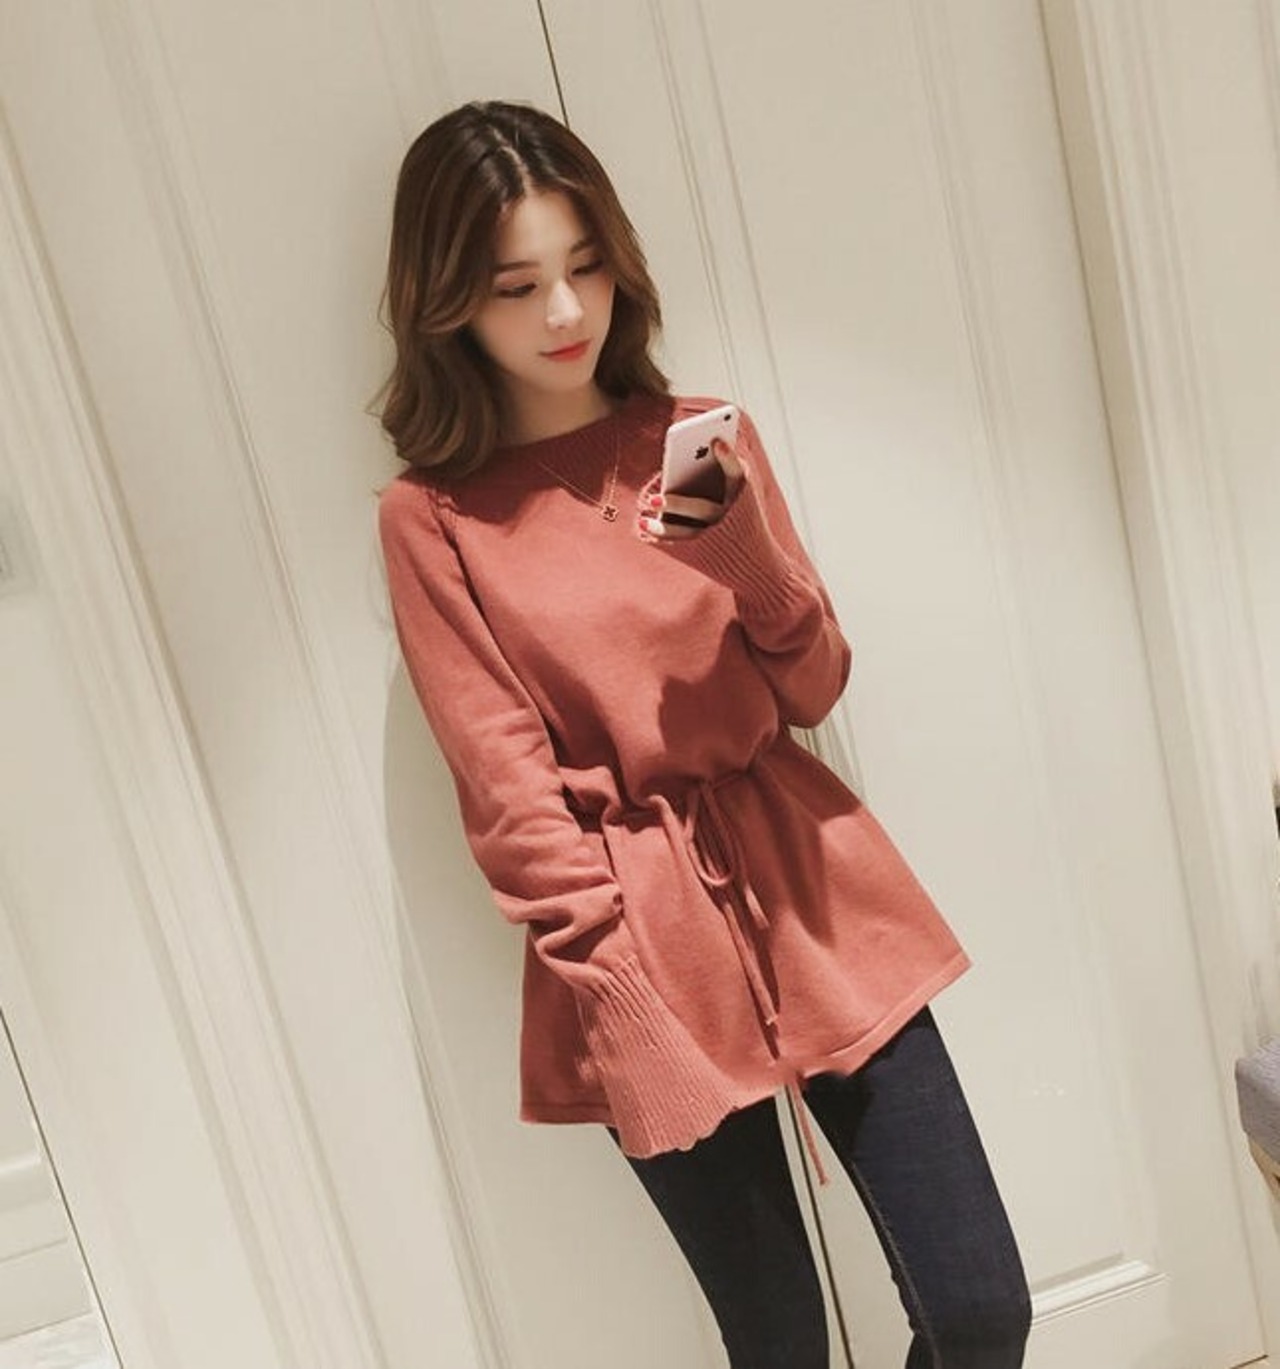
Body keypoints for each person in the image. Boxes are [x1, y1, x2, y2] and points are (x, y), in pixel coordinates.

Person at [375, 99, 1031, 1369]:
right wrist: (622, 1005)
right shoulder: (435, 518)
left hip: (809, 884)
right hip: (636, 937)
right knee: (777, 1340)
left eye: (585, 266)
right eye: (516, 285)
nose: (564, 312)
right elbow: (509, 795)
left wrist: (749, 564)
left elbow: (813, 685)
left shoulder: (694, 440)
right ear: (446, 302)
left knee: (977, 1307)